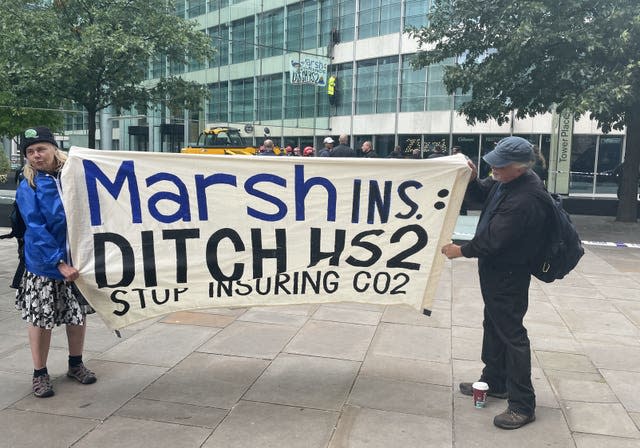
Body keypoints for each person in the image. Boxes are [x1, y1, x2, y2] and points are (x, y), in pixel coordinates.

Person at [440, 136, 548, 430]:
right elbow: (478, 197)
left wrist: (460, 250)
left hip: (509, 274)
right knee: (494, 325)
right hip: (497, 271)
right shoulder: (507, 182)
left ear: (521, 167)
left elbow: (493, 239)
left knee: (512, 334)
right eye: (493, 162)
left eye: (500, 164)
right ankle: (495, 381)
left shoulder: (526, 197)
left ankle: (522, 404)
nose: (494, 167)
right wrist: (473, 179)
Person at [15, 126, 97, 398]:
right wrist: (58, 262)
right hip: (44, 264)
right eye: (30, 151)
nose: (36, 155)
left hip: (77, 259)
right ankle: (40, 373)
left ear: (53, 148)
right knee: (41, 319)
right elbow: (35, 227)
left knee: (77, 315)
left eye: (40, 149)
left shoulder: (73, 174)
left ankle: (76, 364)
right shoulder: (29, 183)